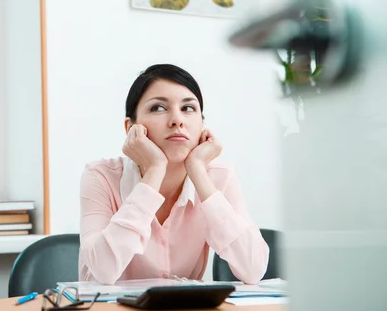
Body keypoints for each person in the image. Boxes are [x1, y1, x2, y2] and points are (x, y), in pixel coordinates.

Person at [78, 64, 269, 285]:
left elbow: (253, 269)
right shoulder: (100, 177)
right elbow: (103, 270)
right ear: (131, 127)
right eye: (158, 108)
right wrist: (154, 170)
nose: (177, 120)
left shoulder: (218, 178)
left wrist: (197, 170)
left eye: (188, 108)